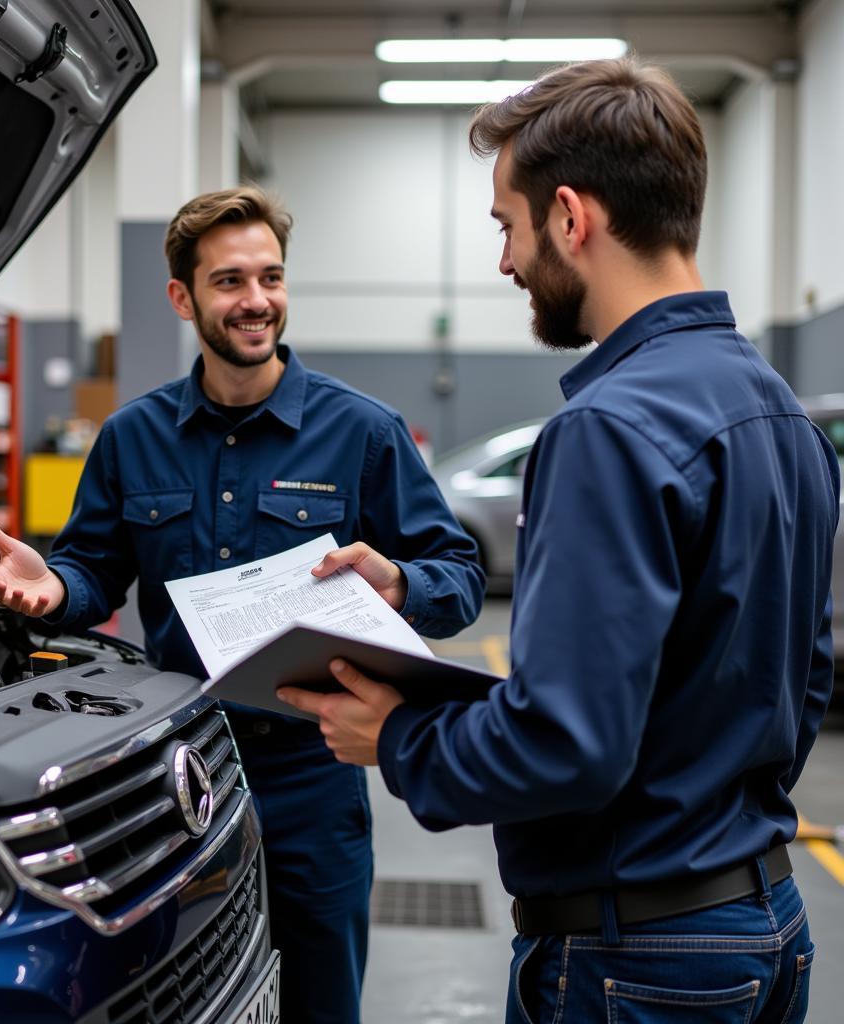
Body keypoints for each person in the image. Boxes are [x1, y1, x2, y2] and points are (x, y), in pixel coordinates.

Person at [278, 57, 840, 1023]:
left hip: (638, 956)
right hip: (766, 927)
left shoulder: (607, 428)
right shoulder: (783, 413)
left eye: (508, 226)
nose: (504, 261)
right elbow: (806, 674)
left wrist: (400, 737)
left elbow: (568, 747)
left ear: (571, 218)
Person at [0, 186, 485, 1024]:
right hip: (172, 774)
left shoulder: (363, 432)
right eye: (230, 281)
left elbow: (457, 575)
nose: (256, 302)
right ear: (182, 297)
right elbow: (94, 569)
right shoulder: (133, 437)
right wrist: (55, 587)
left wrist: (401, 584)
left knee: (320, 999)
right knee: (179, 994)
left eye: (271, 278)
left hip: (312, 773)